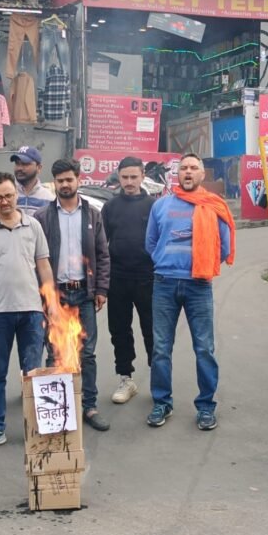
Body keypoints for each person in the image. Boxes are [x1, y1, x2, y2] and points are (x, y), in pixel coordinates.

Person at [145, 153, 235, 431]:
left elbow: (224, 247)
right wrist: (167, 262)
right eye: (183, 168)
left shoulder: (213, 205)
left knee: (204, 348)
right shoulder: (160, 205)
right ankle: (162, 402)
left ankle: (206, 406)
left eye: (193, 168)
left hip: (199, 285)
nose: (187, 172)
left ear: (201, 174)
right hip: (164, 283)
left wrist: (202, 263)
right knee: (161, 348)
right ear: (177, 173)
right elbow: (151, 243)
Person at [0, 172, 55, 453]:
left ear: (16, 194)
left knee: (33, 373)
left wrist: (51, 303)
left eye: (8, 195)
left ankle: (37, 428)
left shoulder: (33, 226)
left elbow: (44, 266)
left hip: (31, 311)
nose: (4, 201)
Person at [35, 159, 111, 431]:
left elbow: (103, 254)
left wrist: (101, 289)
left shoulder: (92, 215)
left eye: (69, 179)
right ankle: (55, 412)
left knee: (87, 354)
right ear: (54, 183)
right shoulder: (42, 217)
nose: (65, 184)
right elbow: (36, 259)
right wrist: (43, 295)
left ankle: (89, 407)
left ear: (78, 180)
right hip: (55, 296)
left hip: (85, 294)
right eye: (60, 180)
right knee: (55, 352)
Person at [101, 156, 155, 404]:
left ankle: (158, 378)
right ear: (119, 177)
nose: (130, 182)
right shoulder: (110, 207)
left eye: (134, 177)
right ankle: (126, 378)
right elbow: (101, 246)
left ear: (143, 176)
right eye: (125, 177)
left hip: (148, 278)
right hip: (118, 279)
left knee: (152, 330)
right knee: (119, 330)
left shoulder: (154, 206)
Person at [0, 145, 54, 218]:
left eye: (25, 164)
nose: (19, 168)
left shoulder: (48, 199)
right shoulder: (0, 194)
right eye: (17, 163)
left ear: (39, 168)